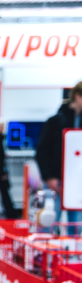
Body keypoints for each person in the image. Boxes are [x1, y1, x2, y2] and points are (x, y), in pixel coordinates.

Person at [36, 82, 82, 224]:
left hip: (77, 184)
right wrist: (49, 177)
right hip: (56, 182)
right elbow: (41, 151)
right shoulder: (55, 121)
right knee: (48, 223)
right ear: (78, 96)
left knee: (76, 228)